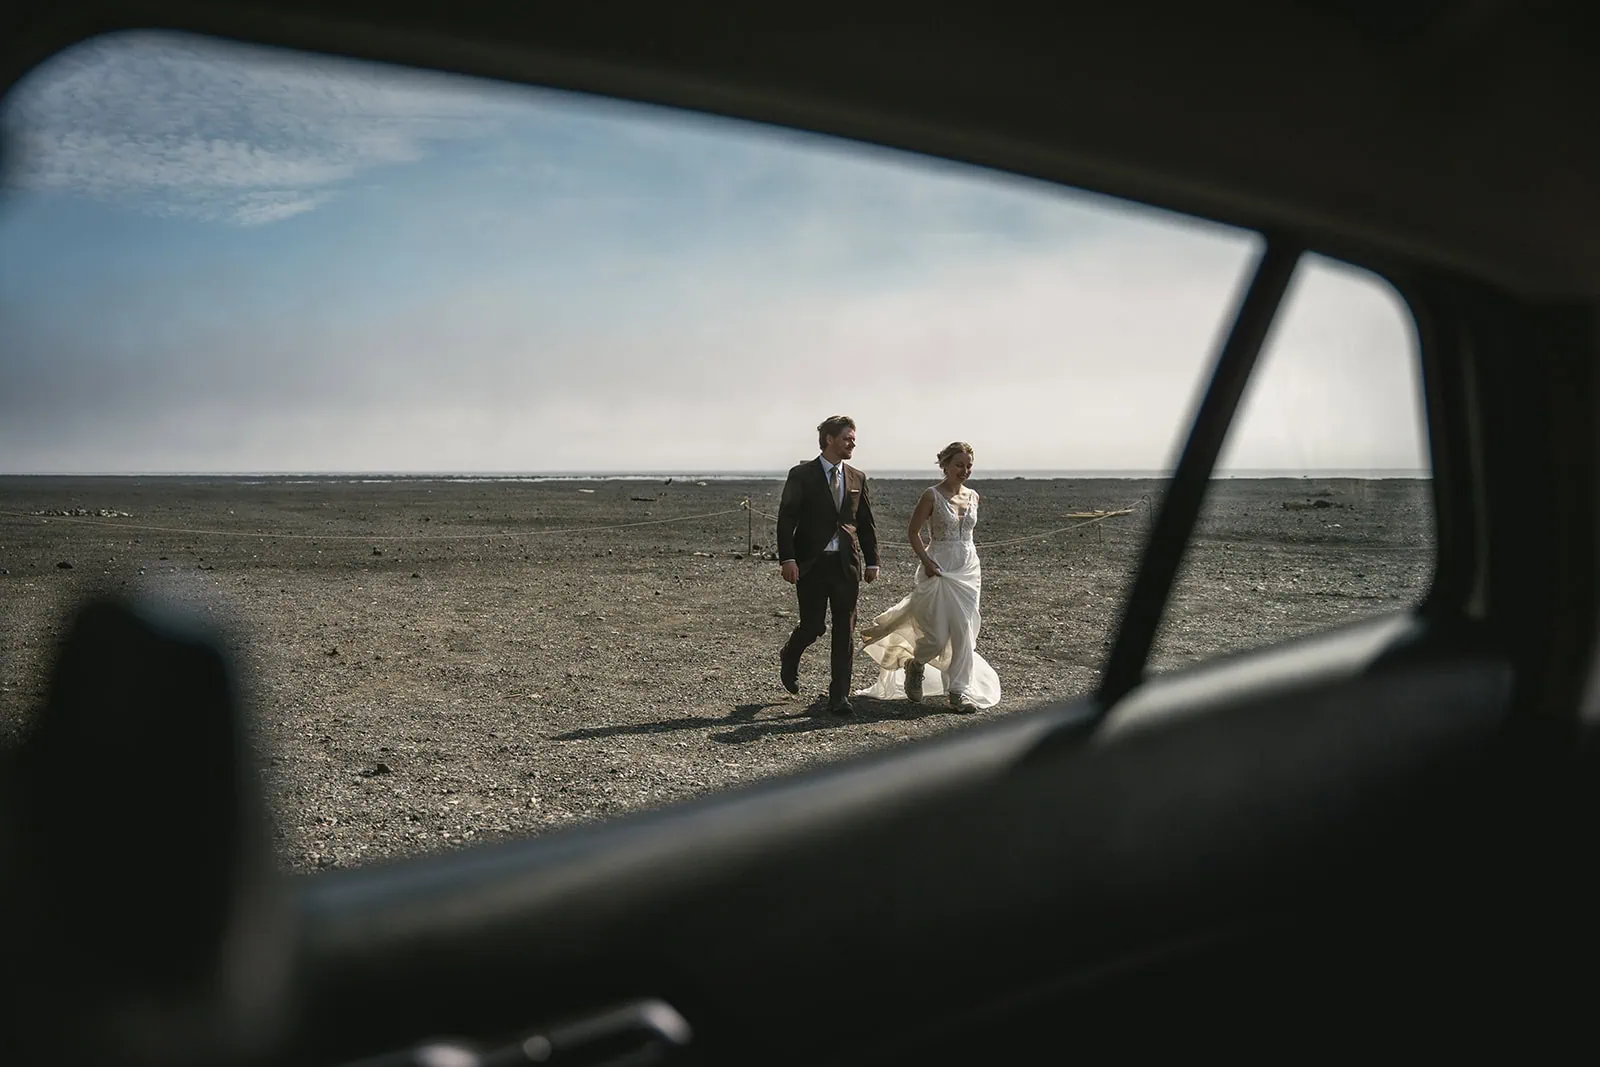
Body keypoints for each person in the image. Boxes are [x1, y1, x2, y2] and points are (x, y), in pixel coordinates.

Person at [857, 441, 1001, 713]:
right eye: (959, 464)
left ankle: (959, 691)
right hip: (937, 566)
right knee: (935, 634)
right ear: (945, 465)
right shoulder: (931, 496)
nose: (964, 470)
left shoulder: (974, 496)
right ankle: (916, 663)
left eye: (969, 465)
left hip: (968, 569)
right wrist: (926, 561)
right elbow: (913, 532)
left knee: (964, 631)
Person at [776, 415, 881, 715]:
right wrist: (788, 558)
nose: (853, 443)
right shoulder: (801, 474)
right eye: (848, 437)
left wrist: (872, 561)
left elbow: (865, 523)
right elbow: (787, 519)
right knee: (813, 626)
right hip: (810, 563)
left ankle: (839, 696)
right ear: (829, 439)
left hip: (846, 563)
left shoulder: (857, 477)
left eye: (853, 438)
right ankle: (790, 653)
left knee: (844, 629)